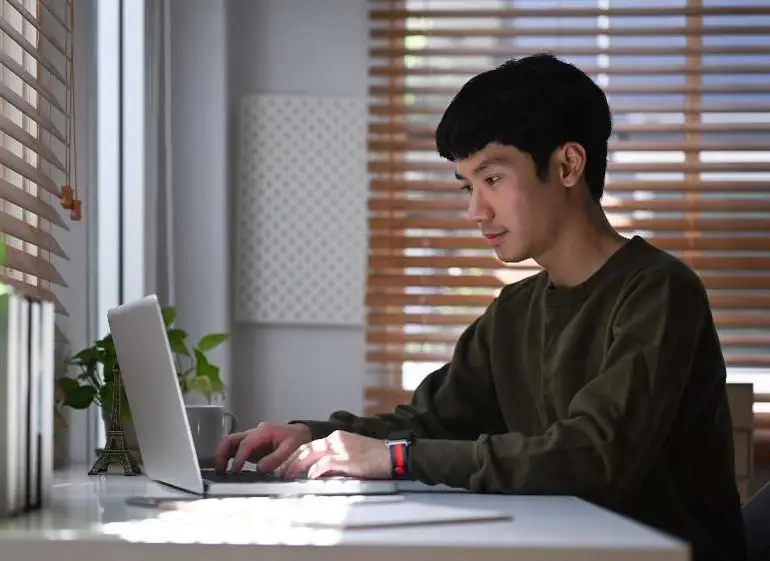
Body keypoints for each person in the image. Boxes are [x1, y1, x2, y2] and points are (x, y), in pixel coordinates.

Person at [215, 53, 747, 561]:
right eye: (467, 186)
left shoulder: (660, 292)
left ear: (568, 165)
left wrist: (395, 459)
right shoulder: (515, 309)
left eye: (492, 179)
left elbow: (593, 455)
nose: (475, 210)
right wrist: (314, 436)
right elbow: (433, 422)